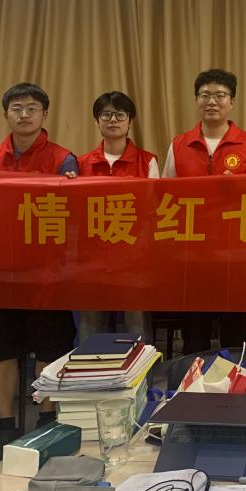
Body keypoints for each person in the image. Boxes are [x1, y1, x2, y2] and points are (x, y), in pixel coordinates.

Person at [0, 82, 78, 461]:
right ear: (6, 114)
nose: (24, 114)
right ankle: (6, 425)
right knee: (0, 350)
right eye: (16, 108)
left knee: (49, 348)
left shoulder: (63, 159)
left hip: (45, 274)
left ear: (44, 114)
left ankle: (46, 420)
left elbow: (74, 218)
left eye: (32, 108)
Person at [162, 68, 246, 355]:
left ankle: (238, 380)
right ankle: (193, 380)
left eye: (220, 95)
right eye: (205, 95)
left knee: (235, 329)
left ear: (232, 102)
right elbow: (165, 198)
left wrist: (240, 188)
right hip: (191, 253)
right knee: (194, 330)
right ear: (196, 100)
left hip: (236, 254)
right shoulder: (179, 145)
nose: (212, 101)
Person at [77, 91, 158, 340]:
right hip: (92, 260)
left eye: (120, 114)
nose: (113, 120)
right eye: (106, 114)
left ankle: (141, 368)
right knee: (91, 329)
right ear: (97, 120)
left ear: (130, 121)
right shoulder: (81, 163)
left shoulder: (147, 161)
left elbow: (154, 212)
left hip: (134, 260)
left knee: (137, 328)